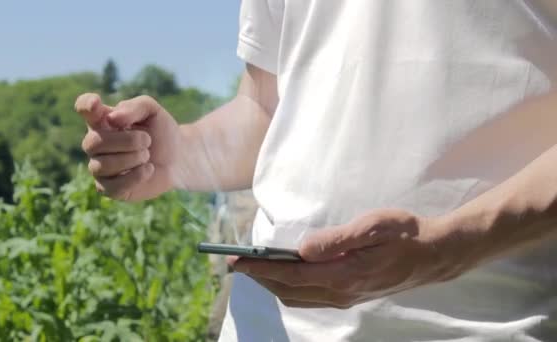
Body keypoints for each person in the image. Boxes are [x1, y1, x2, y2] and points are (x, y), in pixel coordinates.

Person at [75, 1, 557, 340]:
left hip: (489, 327)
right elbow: (267, 108)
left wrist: (448, 248)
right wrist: (177, 153)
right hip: (268, 326)